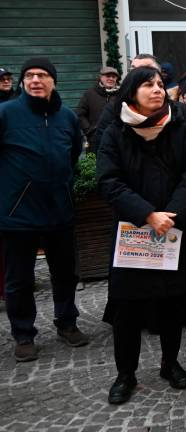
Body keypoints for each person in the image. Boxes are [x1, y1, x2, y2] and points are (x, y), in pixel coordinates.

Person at [97, 66, 186, 404]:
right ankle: (124, 374)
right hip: (133, 232)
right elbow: (109, 182)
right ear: (131, 92)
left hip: (173, 228)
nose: (157, 90)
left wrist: (170, 214)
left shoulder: (179, 126)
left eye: (159, 84)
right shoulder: (115, 131)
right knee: (127, 307)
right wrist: (147, 214)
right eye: (147, 85)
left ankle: (170, 364)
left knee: (172, 303)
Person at [0, 57, 90, 363]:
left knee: (65, 273)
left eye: (42, 75)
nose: (35, 80)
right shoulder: (6, 113)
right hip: (18, 213)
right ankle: (24, 334)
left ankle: (67, 322)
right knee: (19, 279)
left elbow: (74, 153)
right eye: (29, 75)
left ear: (54, 81)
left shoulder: (67, 117)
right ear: (23, 82)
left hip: (59, 210)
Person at [75, 66, 121, 150]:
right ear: (100, 77)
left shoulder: (121, 95)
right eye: (108, 76)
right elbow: (79, 114)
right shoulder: (89, 93)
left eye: (114, 76)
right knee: (93, 162)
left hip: (117, 140)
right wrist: (89, 130)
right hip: (94, 141)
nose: (111, 78)